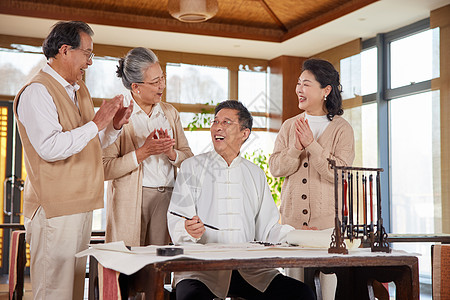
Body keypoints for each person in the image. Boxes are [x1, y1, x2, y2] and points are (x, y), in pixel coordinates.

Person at [13, 21, 133, 299]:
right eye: (87, 54)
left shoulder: (79, 91)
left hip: (80, 205)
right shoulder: (37, 91)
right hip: (55, 209)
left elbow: (89, 145)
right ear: (65, 50)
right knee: (54, 290)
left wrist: (111, 126)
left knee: (73, 291)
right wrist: (96, 124)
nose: (89, 63)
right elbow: (50, 148)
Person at [167, 100, 316, 300]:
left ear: (244, 134)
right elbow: (177, 218)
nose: (217, 127)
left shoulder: (255, 174)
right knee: (190, 297)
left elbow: (268, 228)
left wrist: (297, 235)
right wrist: (187, 228)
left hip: (249, 270)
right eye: (215, 121)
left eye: (226, 122)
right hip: (202, 269)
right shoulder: (191, 167)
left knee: (301, 294)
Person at [268, 58, 355, 299]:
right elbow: (275, 167)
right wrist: (296, 148)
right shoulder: (289, 126)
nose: (299, 89)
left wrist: (312, 146)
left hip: (328, 221)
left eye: (306, 84)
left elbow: (340, 174)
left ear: (326, 90)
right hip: (293, 219)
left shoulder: (342, 128)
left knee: (328, 275)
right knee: (293, 278)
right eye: (298, 83)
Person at [103, 47, 193, 247]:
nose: (162, 86)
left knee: (157, 269)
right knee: (128, 268)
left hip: (168, 198)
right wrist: (143, 152)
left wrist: (170, 153)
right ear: (136, 87)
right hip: (132, 199)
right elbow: (105, 168)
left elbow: (188, 158)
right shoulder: (118, 115)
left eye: (162, 78)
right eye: (155, 82)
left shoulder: (170, 113)